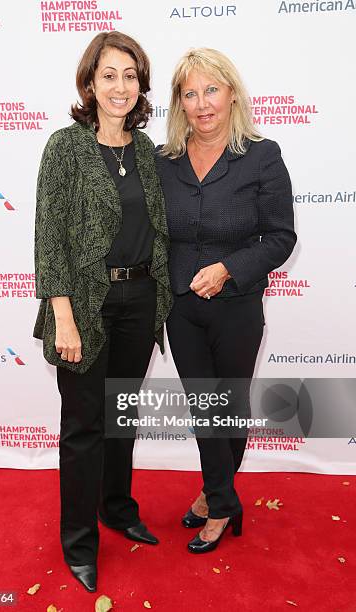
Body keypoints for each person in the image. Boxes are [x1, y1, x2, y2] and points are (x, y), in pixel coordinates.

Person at [33, 31, 172, 592]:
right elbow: (50, 238)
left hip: (140, 300)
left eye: (130, 75)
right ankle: (79, 541)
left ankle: (117, 507)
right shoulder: (64, 148)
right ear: (89, 82)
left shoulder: (146, 150)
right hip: (86, 306)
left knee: (122, 415)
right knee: (84, 425)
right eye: (109, 74)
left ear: (141, 86)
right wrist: (63, 315)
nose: (120, 86)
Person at [155, 48, 297, 553]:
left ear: (231, 93)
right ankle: (220, 499)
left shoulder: (261, 154)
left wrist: (229, 269)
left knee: (228, 407)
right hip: (181, 306)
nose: (202, 104)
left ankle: (215, 501)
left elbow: (281, 237)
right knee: (205, 408)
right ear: (179, 104)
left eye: (211, 90)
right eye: (190, 94)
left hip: (237, 304)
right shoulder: (162, 161)